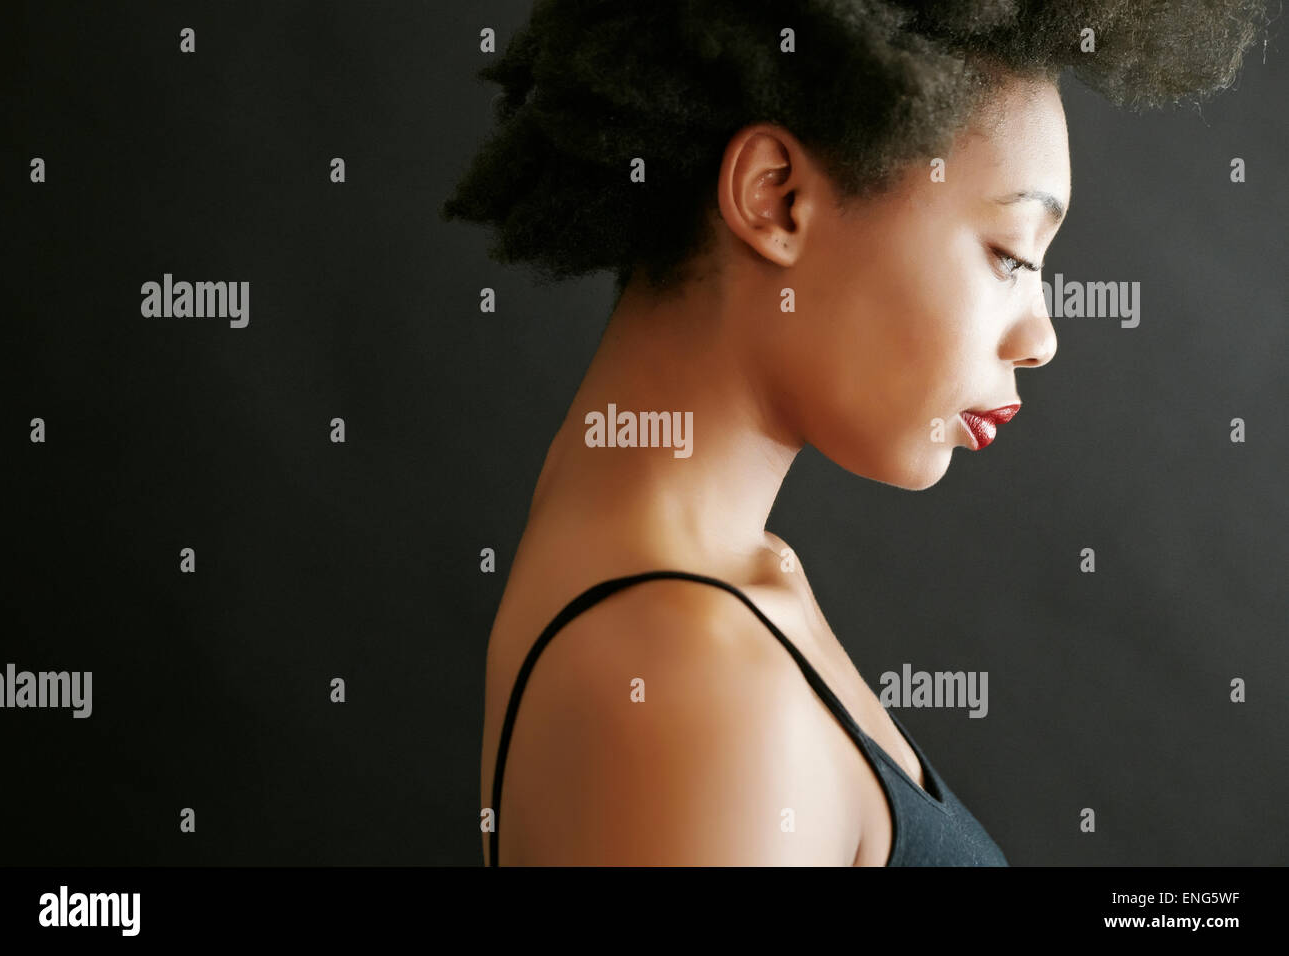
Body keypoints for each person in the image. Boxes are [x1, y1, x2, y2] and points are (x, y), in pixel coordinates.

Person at [441, 0, 1269, 865]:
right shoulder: (697, 673)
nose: (1043, 336)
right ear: (778, 199)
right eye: (1012, 254)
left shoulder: (720, 584)